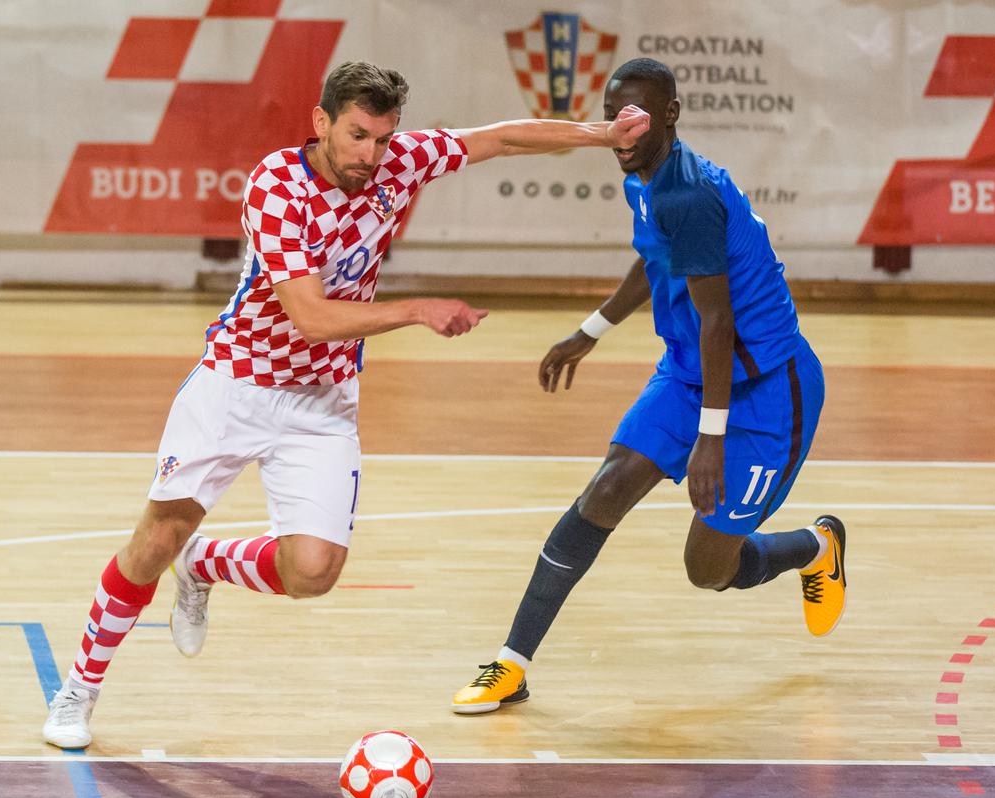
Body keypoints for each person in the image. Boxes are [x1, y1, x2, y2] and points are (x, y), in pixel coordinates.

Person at [42, 60, 651, 748]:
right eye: (358, 136)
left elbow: (503, 139)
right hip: (236, 384)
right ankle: (79, 689)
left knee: (314, 571)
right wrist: (419, 309)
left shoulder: (398, 165)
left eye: (384, 139)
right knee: (153, 540)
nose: (372, 155)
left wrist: (604, 133)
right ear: (321, 123)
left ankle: (207, 561)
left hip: (322, 400)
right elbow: (310, 316)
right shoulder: (276, 187)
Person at [451, 58, 845, 715]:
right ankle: (511, 663)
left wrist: (709, 441)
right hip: (692, 372)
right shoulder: (641, 174)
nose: (621, 124)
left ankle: (815, 546)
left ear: (670, 115)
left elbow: (719, 323)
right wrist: (591, 329)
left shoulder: (685, 192)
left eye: (637, 112)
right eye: (613, 112)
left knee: (707, 568)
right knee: (606, 488)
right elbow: (653, 259)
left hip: (768, 389)